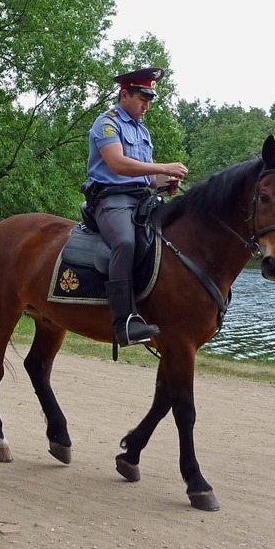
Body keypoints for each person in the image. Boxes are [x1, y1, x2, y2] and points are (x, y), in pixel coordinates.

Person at [84, 67, 188, 348]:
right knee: (125, 242)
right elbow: (118, 164)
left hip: (142, 199)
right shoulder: (107, 123)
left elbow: (147, 177)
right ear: (125, 94)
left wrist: (167, 182)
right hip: (110, 199)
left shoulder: (141, 129)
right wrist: (163, 166)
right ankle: (123, 322)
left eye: (150, 100)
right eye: (143, 98)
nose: (147, 105)